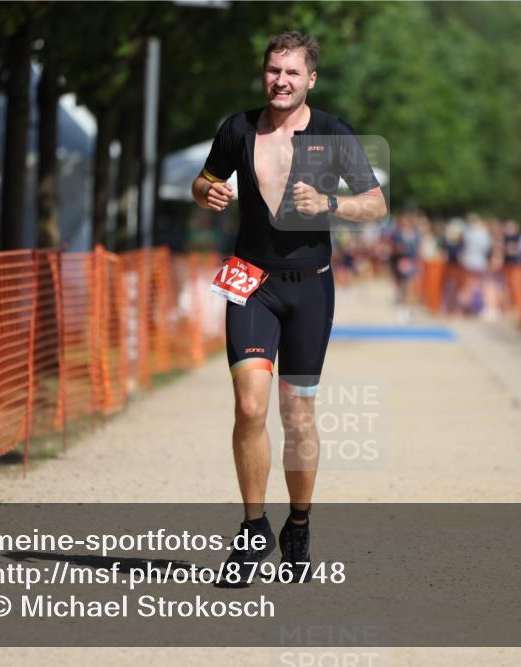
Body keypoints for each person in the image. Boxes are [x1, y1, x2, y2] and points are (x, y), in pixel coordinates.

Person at [191, 31, 387, 586]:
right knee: (250, 409)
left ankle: (298, 524)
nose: (281, 80)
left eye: (292, 73)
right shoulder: (236, 129)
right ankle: (253, 530)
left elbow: (375, 204)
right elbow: (202, 182)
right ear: (264, 74)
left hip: (311, 288)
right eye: (273, 70)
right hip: (251, 282)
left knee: (297, 417)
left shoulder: (332, 132)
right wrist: (206, 192)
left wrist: (330, 203)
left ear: (311, 79)